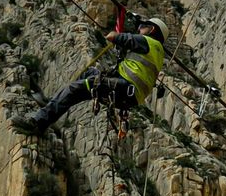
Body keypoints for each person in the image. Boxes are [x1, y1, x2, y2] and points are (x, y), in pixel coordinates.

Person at [12, 16, 168, 136]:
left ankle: (38, 123)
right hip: (128, 93)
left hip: (123, 88)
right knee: (90, 73)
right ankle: (55, 103)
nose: (139, 29)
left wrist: (115, 33)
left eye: (142, 26)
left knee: (75, 89)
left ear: (152, 30)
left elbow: (113, 37)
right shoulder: (158, 54)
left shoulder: (148, 42)